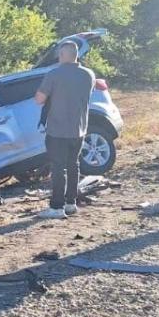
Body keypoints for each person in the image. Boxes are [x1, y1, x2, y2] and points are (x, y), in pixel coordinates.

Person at [34, 40, 95, 219]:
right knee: (73, 165)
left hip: (58, 129)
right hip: (79, 128)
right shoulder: (89, 74)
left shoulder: (54, 74)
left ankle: (56, 207)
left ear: (62, 55)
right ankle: (71, 203)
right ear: (77, 55)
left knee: (58, 168)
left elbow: (39, 99)